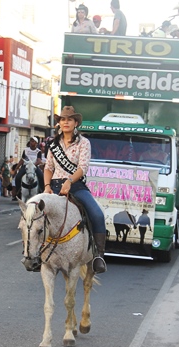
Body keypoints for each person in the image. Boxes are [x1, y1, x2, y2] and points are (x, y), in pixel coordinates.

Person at [43, 106, 107, 274]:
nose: (65, 122)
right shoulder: (53, 144)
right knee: (34, 214)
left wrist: (69, 181)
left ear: (76, 122)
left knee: (97, 214)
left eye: (69, 119)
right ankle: (34, 253)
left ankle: (98, 255)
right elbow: (48, 167)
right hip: (54, 185)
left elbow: (83, 167)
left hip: (76, 185)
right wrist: (47, 186)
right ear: (59, 123)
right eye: (62, 119)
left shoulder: (84, 143)